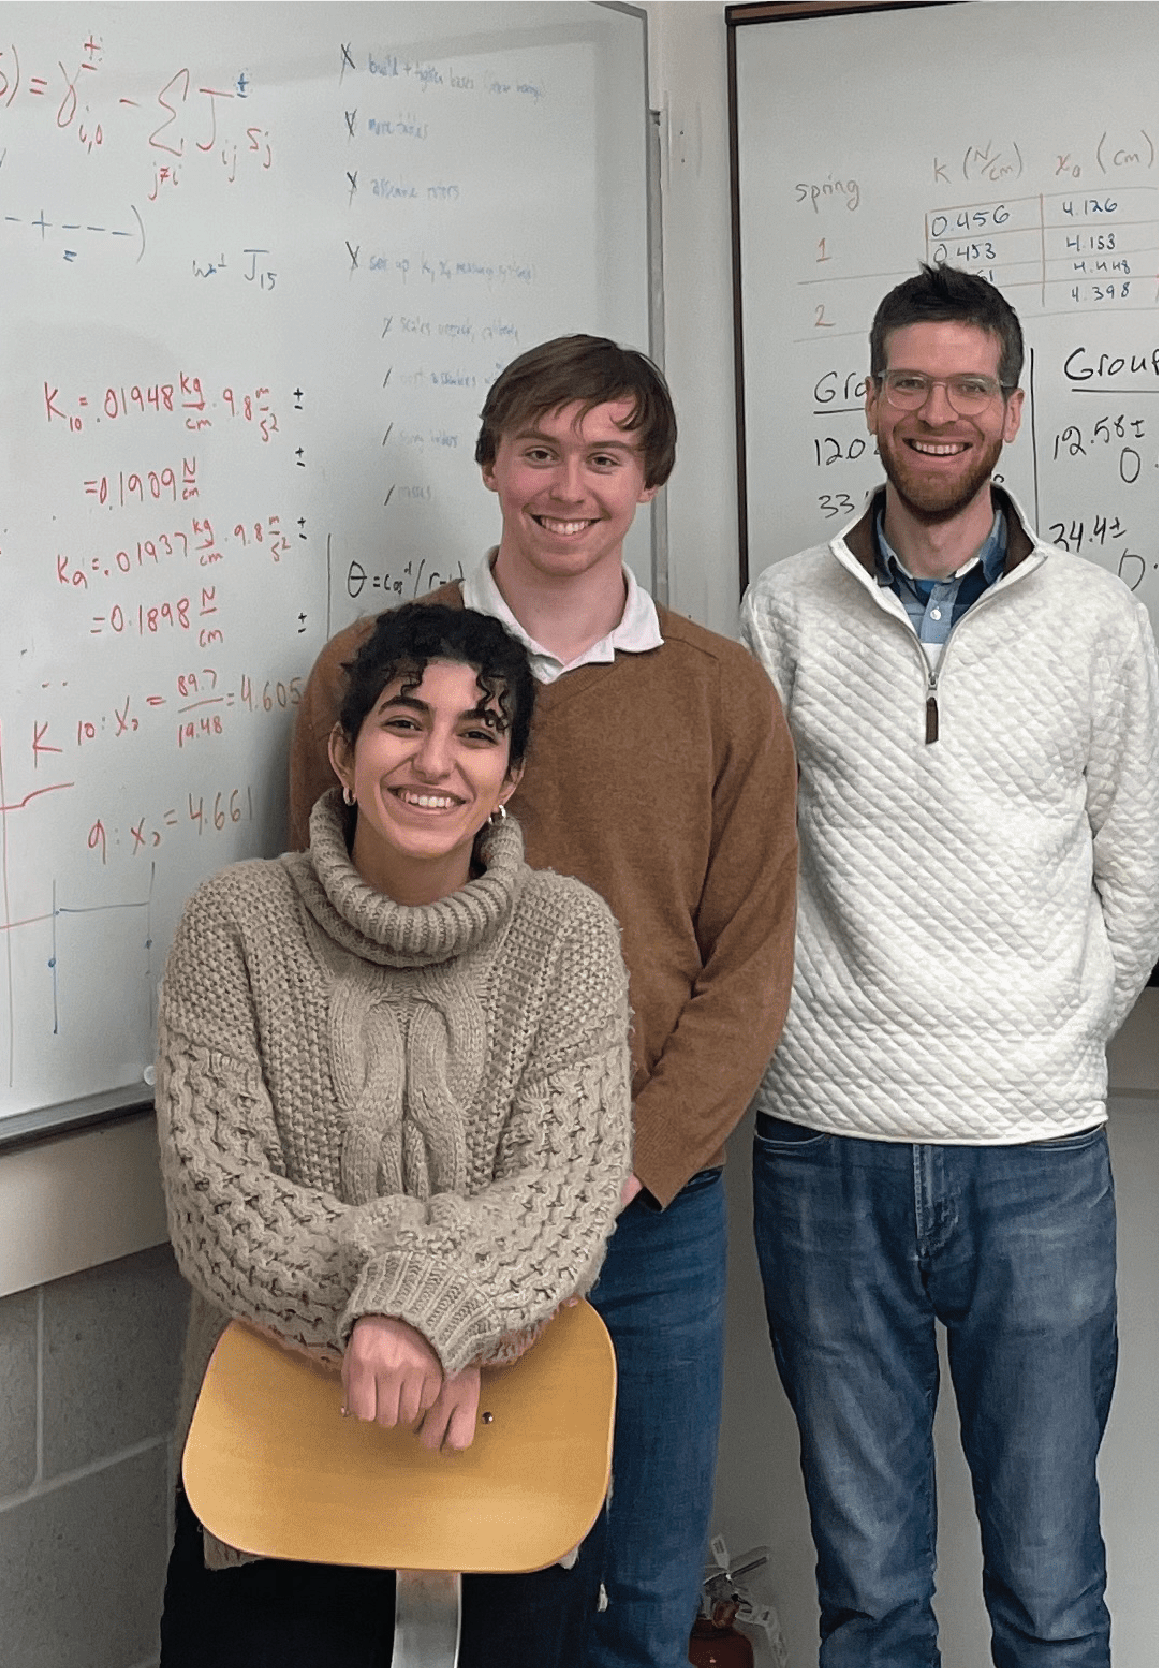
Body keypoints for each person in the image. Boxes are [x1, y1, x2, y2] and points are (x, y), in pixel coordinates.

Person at [285, 336, 798, 1668]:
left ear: (649, 480)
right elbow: (328, 930)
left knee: (641, 1590)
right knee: (439, 1592)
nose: (568, 486)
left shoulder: (719, 691)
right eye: (540, 451)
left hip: (647, 1213)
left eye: (605, 456)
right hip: (426, 1208)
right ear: (491, 463)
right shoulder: (376, 676)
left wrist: (626, 1169)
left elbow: (748, 963)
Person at [739, 263, 1159, 1668]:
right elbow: (746, 876)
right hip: (825, 1142)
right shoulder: (783, 613)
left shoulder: (1096, 618)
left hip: (1032, 1147)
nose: (940, 413)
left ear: (1010, 404)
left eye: (970, 387)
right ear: (871, 402)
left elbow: (1148, 867)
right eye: (911, 384)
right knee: (868, 1593)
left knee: (1049, 1592)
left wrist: (1052, 1032)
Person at [157, 602, 631, 1666]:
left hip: (505, 1467)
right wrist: (409, 1311)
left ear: (510, 777)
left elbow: (561, 1198)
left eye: (477, 733)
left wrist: (431, 1316)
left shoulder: (568, 939)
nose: (435, 760)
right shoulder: (234, 925)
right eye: (402, 721)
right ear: (341, 749)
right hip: (269, 1477)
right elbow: (220, 1200)